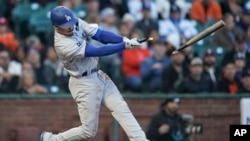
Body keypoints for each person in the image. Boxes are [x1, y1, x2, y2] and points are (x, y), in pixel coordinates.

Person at [40, 6, 149, 141]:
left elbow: (100, 35)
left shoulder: (75, 22)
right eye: (66, 26)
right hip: (83, 83)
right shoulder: (63, 45)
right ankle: (52, 139)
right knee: (89, 131)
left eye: (71, 23)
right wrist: (124, 46)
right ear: (57, 27)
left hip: (98, 74)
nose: (71, 27)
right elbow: (97, 51)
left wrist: (123, 39)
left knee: (122, 108)